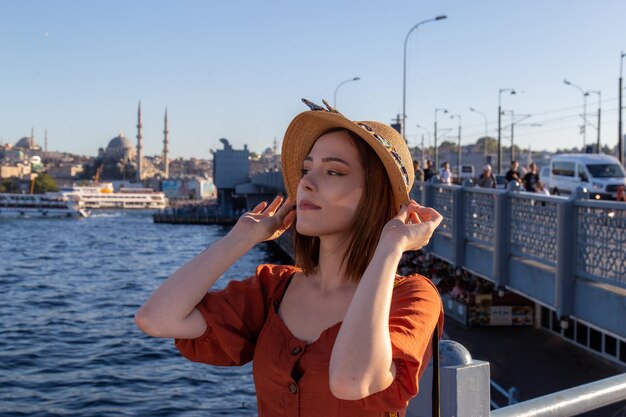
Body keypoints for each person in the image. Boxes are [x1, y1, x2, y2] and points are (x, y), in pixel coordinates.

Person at [135, 99, 444, 417]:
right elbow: (156, 319)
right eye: (306, 169)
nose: (307, 183)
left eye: (334, 171)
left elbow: (352, 381)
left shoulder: (412, 297)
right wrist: (241, 238)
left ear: (376, 198)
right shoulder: (273, 288)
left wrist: (390, 246)